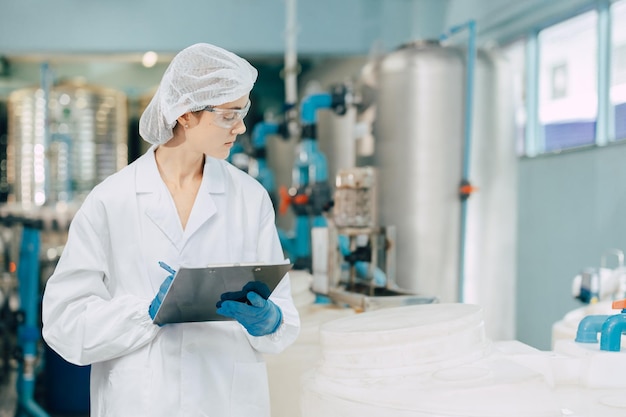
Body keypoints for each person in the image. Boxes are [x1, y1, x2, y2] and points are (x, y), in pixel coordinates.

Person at [41, 43, 300, 417]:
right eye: (229, 115)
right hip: (141, 402)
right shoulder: (111, 200)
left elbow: (285, 313)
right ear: (185, 115)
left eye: (242, 112)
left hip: (224, 400)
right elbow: (64, 322)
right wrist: (144, 314)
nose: (241, 127)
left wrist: (270, 320)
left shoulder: (249, 197)